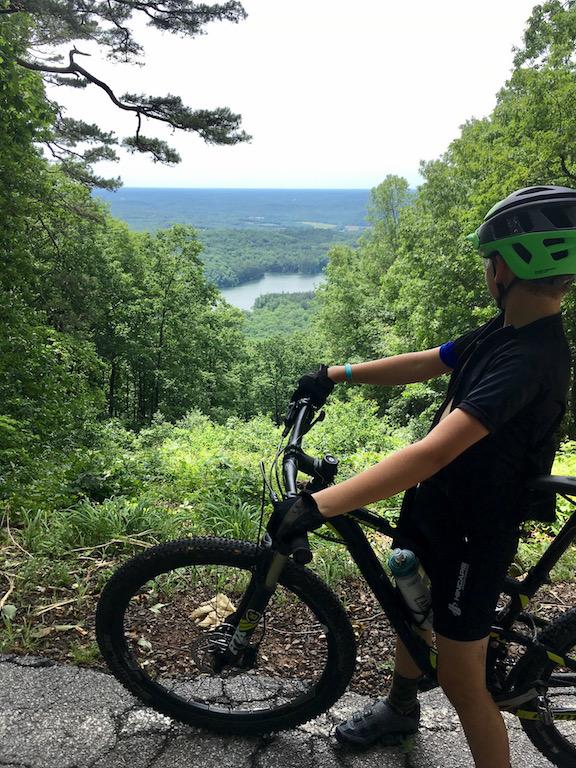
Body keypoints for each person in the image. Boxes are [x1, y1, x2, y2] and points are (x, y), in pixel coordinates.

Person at [272, 186, 576, 768]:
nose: (487, 269)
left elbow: (432, 452)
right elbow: (433, 361)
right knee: (411, 609)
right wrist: (337, 374)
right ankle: (400, 708)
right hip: (443, 509)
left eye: (490, 259)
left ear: (508, 265)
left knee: (466, 686)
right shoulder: (506, 329)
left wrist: (319, 506)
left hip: (474, 531)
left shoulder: (528, 359)